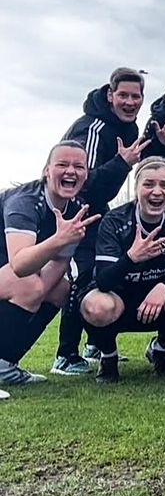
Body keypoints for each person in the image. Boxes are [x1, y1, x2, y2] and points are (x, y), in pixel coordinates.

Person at [53, 67, 150, 375]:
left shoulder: (128, 128)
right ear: (110, 95)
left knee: (104, 273)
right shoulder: (94, 128)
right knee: (81, 277)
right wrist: (122, 162)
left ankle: (94, 344)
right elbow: (81, 182)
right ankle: (65, 355)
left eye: (136, 96)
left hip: (97, 211)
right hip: (74, 214)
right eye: (123, 95)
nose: (130, 102)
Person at [80, 157, 165, 383]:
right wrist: (132, 257)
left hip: (158, 298)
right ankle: (108, 356)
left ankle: (161, 349)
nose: (157, 192)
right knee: (96, 306)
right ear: (136, 189)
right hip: (118, 297)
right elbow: (103, 280)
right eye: (148, 184)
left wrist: (164, 287)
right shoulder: (115, 220)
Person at [1, 141, 99, 389]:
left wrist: (39, 293)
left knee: (60, 289)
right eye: (62, 164)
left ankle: (5, 365)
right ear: (47, 170)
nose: (71, 171)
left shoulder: (76, 208)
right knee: (29, 285)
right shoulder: (25, 201)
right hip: (13, 266)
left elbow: (59, 263)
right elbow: (20, 264)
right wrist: (59, 239)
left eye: (79, 166)